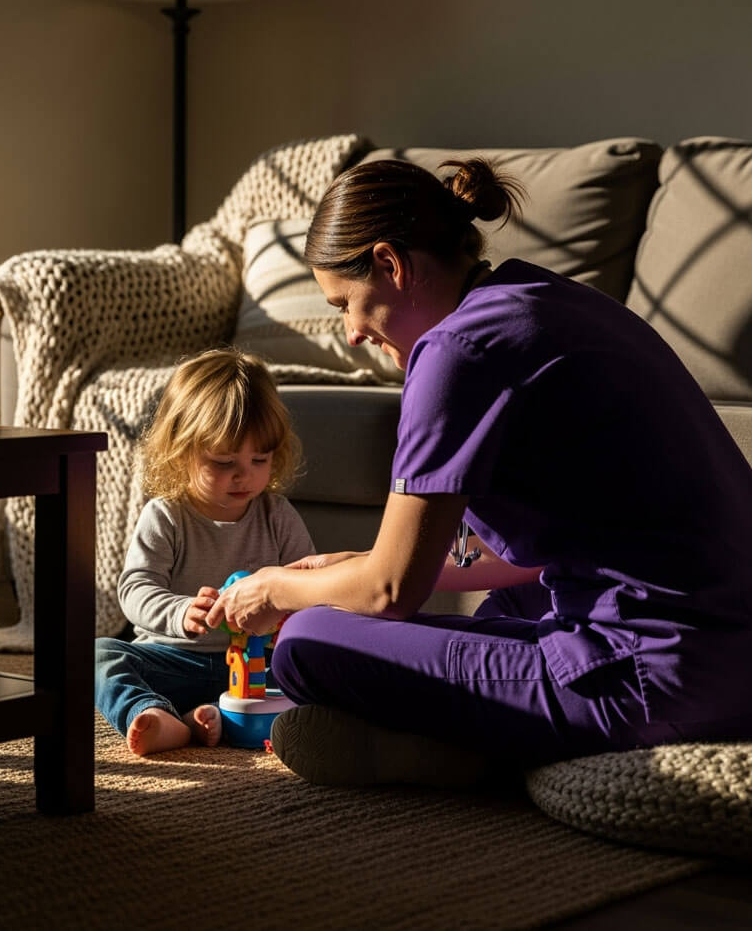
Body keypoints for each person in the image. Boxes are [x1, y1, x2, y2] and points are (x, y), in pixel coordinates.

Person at [205, 157, 752, 787]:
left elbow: (390, 592)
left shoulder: (454, 351)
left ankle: (477, 751)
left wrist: (275, 591)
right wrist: (346, 566)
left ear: (390, 263)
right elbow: (530, 555)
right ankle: (487, 727)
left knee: (308, 641)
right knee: (508, 604)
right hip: (734, 657)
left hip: (655, 678)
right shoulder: (548, 298)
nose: (351, 333)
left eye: (346, 304)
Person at [95, 347, 314, 756]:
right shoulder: (166, 515)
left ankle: (210, 716)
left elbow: (307, 586)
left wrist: (282, 618)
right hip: (173, 658)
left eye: (259, 458)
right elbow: (135, 588)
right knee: (99, 656)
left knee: (318, 663)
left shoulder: (278, 515)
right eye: (223, 461)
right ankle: (154, 713)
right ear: (181, 452)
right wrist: (179, 612)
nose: (243, 474)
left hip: (256, 668)